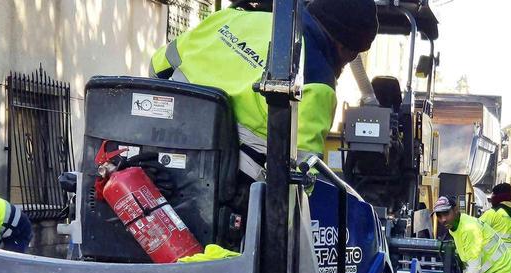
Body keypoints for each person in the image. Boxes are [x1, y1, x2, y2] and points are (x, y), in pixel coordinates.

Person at [151, 0, 378, 181]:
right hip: (225, 196)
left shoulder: (233, 17)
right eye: (353, 54)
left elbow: (157, 67)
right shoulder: (316, 83)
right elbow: (301, 180)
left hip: (151, 152)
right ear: (344, 48)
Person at [480, 183, 511, 257]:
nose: (491, 197)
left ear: (497, 197)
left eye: (493, 194)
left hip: (495, 259)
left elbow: (475, 231)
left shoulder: (492, 213)